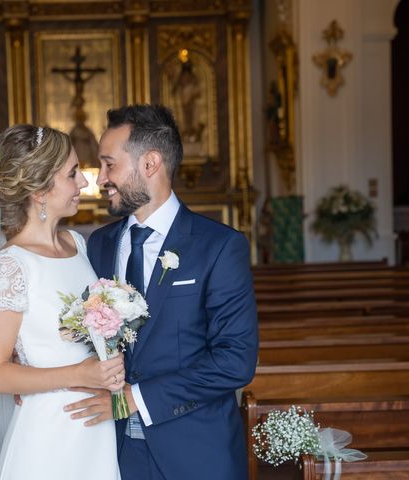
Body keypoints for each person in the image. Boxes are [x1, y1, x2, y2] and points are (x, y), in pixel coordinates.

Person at [65, 105, 259, 479]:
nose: (99, 179)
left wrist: (132, 400)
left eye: (109, 165)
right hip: (112, 452)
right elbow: (82, 335)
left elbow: (235, 361)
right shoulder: (99, 245)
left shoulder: (219, 247)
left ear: (150, 163)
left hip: (197, 453)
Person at [0, 124, 123, 480]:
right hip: (49, 435)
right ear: (39, 191)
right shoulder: (10, 266)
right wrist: (80, 374)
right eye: (72, 174)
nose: (84, 183)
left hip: (96, 429)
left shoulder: (76, 244)